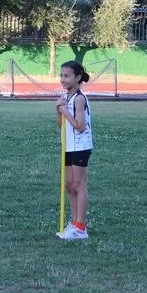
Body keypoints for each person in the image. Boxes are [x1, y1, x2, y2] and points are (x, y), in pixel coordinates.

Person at [55, 60, 93, 240]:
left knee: (79, 185)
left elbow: (80, 126)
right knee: (69, 186)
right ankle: (74, 223)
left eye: (67, 76)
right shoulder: (66, 98)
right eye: (61, 75)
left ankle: (81, 226)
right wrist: (58, 109)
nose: (63, 79)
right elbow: (61, 126)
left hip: (80, 147)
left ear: (77, 77)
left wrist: (65, 110)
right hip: (68, 146)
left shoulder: (79, 98)